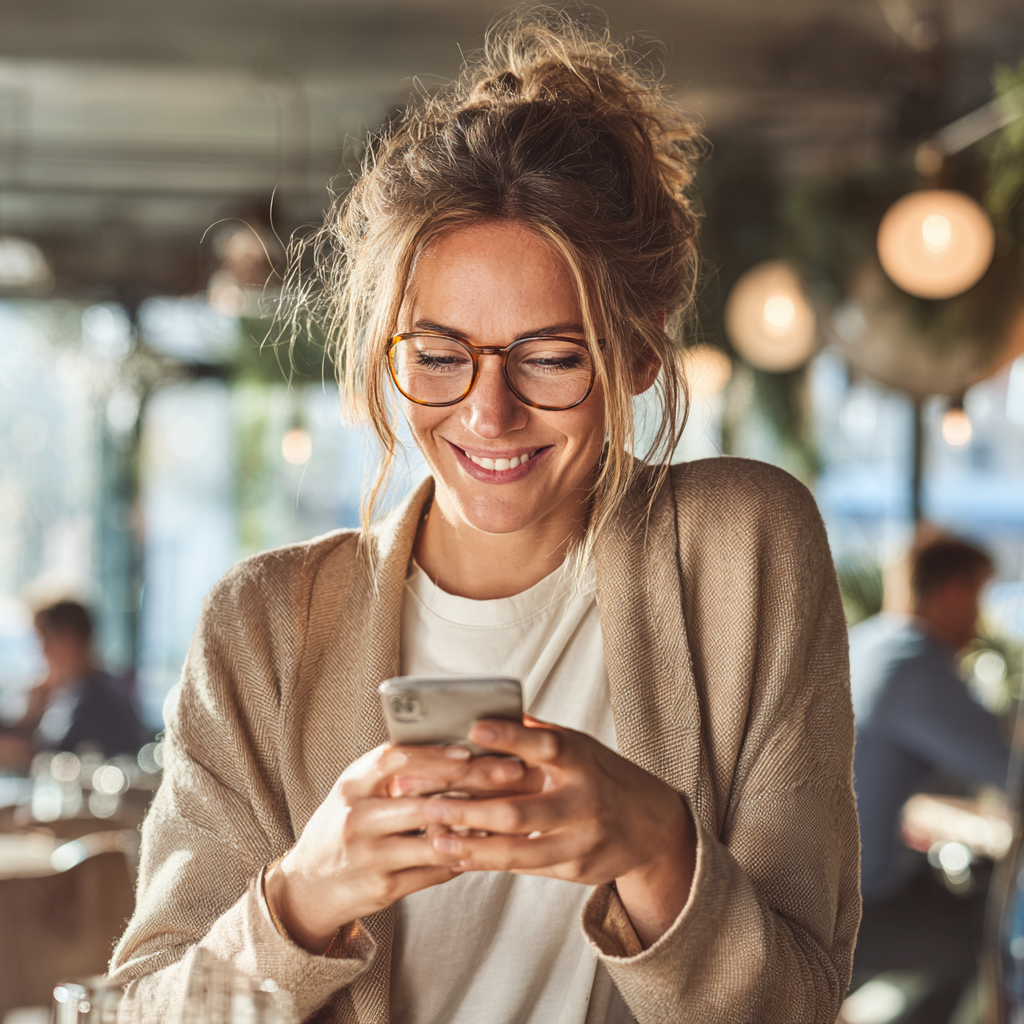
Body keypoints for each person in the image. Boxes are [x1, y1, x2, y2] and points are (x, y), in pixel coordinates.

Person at [109, 13, 860, 1023]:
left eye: (551, 355)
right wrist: (305, 896)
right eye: (439, 352)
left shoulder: (740, 549)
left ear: (639, 353)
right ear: (386, 351)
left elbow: (798, 1003)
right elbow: (139, 1011)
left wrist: (659, 850)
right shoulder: (263, 626)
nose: (487, 412)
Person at [849, 537, 1010, 1023]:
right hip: (852, 903)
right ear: (956, 594)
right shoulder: (913, 661)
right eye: (980, 599)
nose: (980, 622)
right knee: (983, 939)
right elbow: (1011, 770)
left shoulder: (872, 641)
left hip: (823, 876)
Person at [11, 600, 146, 761]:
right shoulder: (73, 693)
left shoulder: (100, 699)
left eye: (44, 639)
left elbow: (57, 758)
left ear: (69, 639)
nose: (42, 651)